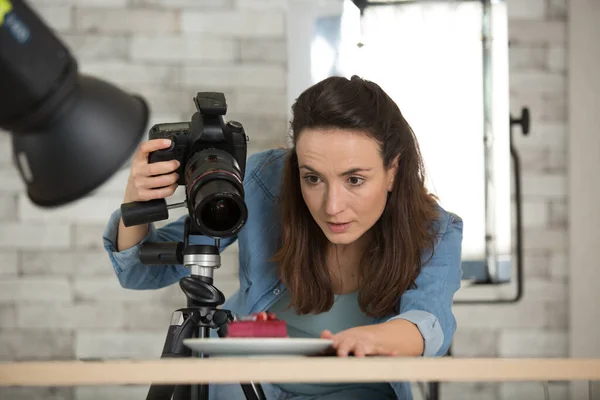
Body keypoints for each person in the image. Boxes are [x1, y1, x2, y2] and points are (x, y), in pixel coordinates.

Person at [102, 75, 463, 400]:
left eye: (354, 180)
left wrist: (372, 340)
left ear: (392, 171)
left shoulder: (435, 231)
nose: (332, 206)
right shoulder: (265, 182)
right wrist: (137, 203)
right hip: (245, 383)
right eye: (312, 178)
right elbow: (139, 271)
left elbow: (429, 323)